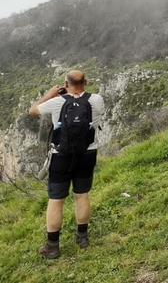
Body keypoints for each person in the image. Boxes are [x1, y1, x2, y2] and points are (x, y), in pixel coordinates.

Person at [29, 70, 105, 259]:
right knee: (82, 195)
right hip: (87, 153)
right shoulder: (97, 100)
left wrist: (50, 94)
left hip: (61, 156)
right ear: (86, 82)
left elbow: (33, 110)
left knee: (56, 200)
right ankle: (82, 238)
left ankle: (52, 247)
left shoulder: (57, 102)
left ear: (66, 83)